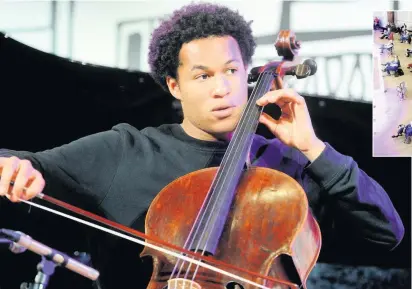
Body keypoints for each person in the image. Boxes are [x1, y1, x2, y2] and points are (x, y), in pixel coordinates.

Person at [0, 2, 405, 289]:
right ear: (174, 86)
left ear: (248, 73)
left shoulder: (286, 168)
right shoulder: (126, 150)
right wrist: (17, 168)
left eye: (231, 71)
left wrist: (315, 148)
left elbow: (386, 233)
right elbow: (17, 162)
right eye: (203, 76)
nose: (222, 88)